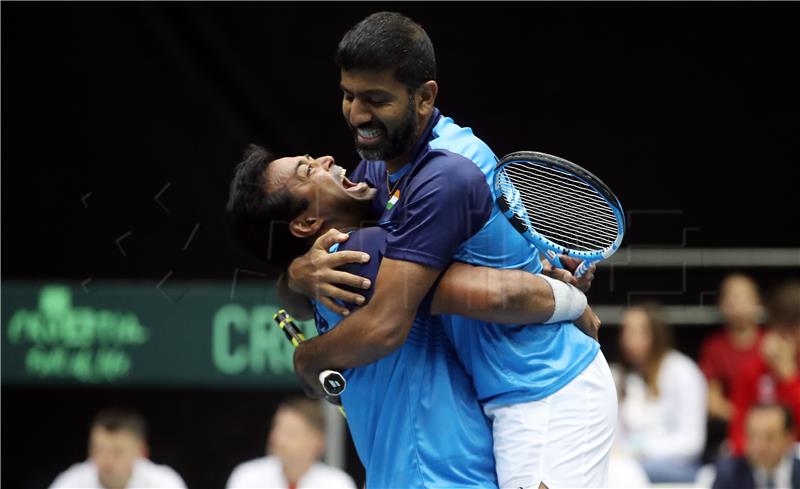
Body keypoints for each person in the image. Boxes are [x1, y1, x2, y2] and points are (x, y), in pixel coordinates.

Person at [278, 11, 615, 488]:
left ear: (424, 97)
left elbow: (388, 321)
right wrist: (298, 270)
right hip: (498, 399)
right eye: (349, 96)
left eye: (375, 99)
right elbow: (354, 242)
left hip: (545, 391)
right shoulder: (382, 167)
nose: (357, 114)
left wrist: (306, 360)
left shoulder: (447, 173)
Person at [227, 145, 595, 488]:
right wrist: (572, 299)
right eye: (308, 171)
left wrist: (294, 280)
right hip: (442, 476)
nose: (325, 159)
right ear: (306, 225)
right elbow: (504, 294)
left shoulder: (323, 274)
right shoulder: (360, 253)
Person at [617, 303, 708, 483]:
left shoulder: (683, 372)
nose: (627, 339)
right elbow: (619, 437)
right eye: (625, 331)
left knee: (624, 474)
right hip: (632, 461)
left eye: (636, 331)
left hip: (679, 465)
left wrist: (640, 450)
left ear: (655, 335)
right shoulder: (624, 377)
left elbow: (691, 443)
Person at [730, 280, 800, 456]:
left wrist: (790, 379)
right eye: (781, 332)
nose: (787, 340)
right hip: (761, 458)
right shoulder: (753, 369)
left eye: (793, 331)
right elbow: (738, 433)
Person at [700, 274, 765, 458]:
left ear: (758, 303)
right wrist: (747, 421)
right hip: (732, 434)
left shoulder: (771, 345)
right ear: (721, 305)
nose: (736, 304)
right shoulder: (715, 348)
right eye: (730, 298)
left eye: (743, 297)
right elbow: (713, 401)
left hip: (772, 430)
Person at [226, 397, 356, 489]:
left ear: (317, 441)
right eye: (276, 428)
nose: (277, 439)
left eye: (290, 432)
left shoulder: (338, 484)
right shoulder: (247, 476)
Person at [49, 408, 186, 489]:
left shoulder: (164, 483)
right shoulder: (71, 483)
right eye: (99, 450)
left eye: (117, 452)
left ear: (141, 452)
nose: (106, 460)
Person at [712, 403, 800, 489]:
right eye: (752, 436)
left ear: (789, 438)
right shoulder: (728, 475)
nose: (759, 447)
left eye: (769, 437)